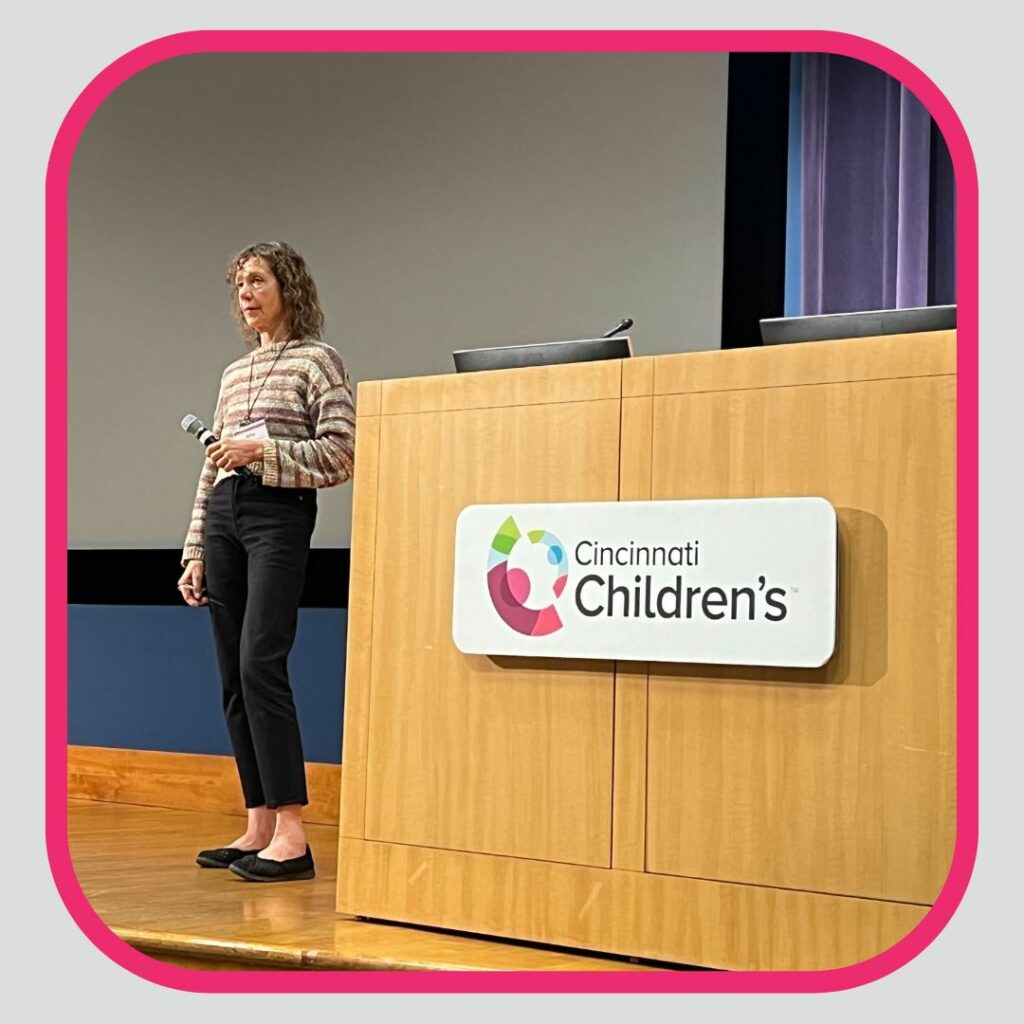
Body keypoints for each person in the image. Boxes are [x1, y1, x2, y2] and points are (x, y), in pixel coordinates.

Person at [177, 241, 355, 882]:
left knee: (261, 664)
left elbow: (341, 454)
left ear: (289, 287)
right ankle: (258, 823)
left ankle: (294, 834)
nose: (246, 294)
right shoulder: (232, 374)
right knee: (232, 674)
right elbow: (211, 465)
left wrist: (264, 452)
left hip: (278, 513)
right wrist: (196, 545)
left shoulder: (318, 361)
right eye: (239, 286)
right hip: (225, 514)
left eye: (257, 280)